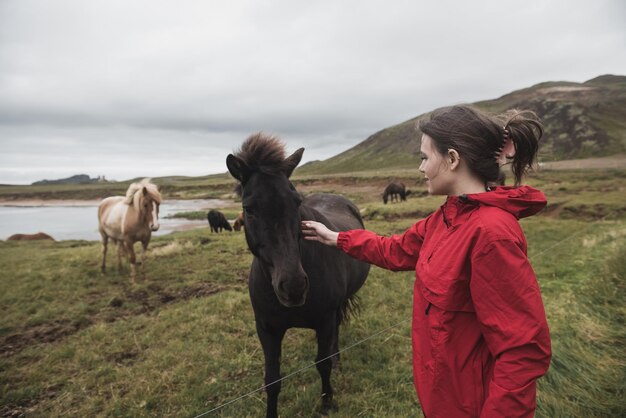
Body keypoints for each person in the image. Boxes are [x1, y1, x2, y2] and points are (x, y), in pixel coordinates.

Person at [301, 105, 551, 418]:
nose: (421, 169)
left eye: (424, 157)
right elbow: (395, 250)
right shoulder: (444, 219)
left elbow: (522, 351)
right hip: (442, 396)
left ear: (452, 159)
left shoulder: (491, 235)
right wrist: (336, 238)